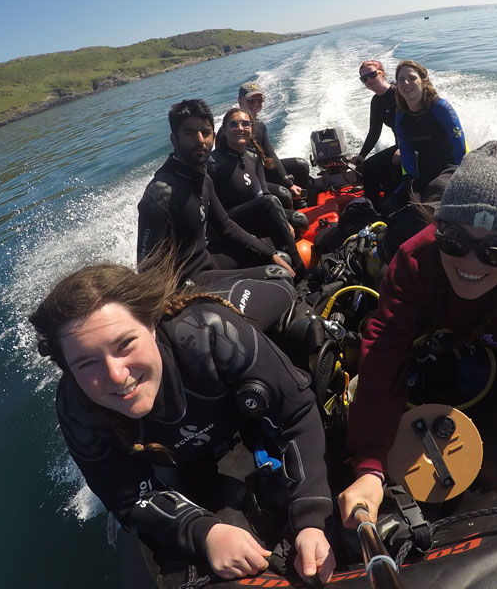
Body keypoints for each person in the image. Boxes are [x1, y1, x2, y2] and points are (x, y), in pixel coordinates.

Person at [29, 254, 335, 584]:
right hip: (185, 457)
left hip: (235, 345)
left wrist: (310, 517)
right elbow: (126, 496)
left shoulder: (210, 336)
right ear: (69, 371)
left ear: (149, 323)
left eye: (125, 344)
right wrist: (205, 533)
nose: (116, 375)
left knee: (287, 296)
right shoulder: (77, 408)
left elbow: (297, 411)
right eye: (87, 364)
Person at [337, 141, 497, 526]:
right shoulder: (414, 261)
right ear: (438, 230)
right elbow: (384, 354)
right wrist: (370, 465)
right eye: (454, 242)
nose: (470, 264)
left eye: (495, 252)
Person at [136, 98, 295, 285]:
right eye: (189, 133)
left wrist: (269, 254)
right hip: (187, 281)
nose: (200, 140)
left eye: (205, 132)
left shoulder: (203, 179)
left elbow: (226, 226)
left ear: (213, 134)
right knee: (279, 275)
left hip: (207, 260)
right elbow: (146, 266)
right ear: (174, 139)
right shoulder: (160, 194)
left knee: (281, 257)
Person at [208, 108, 306, 276]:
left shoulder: (253, 157)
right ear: (224, 130)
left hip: (255, 215)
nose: (240, 128)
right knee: (270, 204)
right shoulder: (213, 163)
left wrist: (282, 221)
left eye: (246, 124)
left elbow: (264, 193)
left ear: (251, 128)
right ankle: (300, 271)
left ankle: (282, 247)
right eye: (234, 124)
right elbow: (214, 217)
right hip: (230, 223)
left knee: (300, 220)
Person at [393, 59, 466, 200]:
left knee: (435, 192)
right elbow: (407, 155)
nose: (406, 83)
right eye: (401, 79)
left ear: (423, 81)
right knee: (391, 205)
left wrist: (463, 178)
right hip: (425, 169)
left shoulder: (440, 108)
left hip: (450, 167)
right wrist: (412, 187)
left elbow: (461, 149)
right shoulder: (401, 117)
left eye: (412, 78)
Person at [228, 82, 311, 199]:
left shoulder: (259, 126)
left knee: (301, 165)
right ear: (240, 101)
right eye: (251, 100)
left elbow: (271, 156)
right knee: (283, 193)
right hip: (243, 179)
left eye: (260, 100)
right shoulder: (231, 130)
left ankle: (301, 204)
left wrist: (288, 182)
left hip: (260, 172)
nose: (256, 104)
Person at [351, 60, 402, 211]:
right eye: (364, 78)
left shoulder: (398, 94)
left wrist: (406, 148)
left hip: (414, 145)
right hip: (400, 148)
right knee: (371, 168)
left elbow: (416, 123)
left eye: (372, 75)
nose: (368, 80)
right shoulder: (376, 101)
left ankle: (374, 210)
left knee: (370, 168)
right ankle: (380, 207)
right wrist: (362, 155)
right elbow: (374, 131)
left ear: (382, 74)